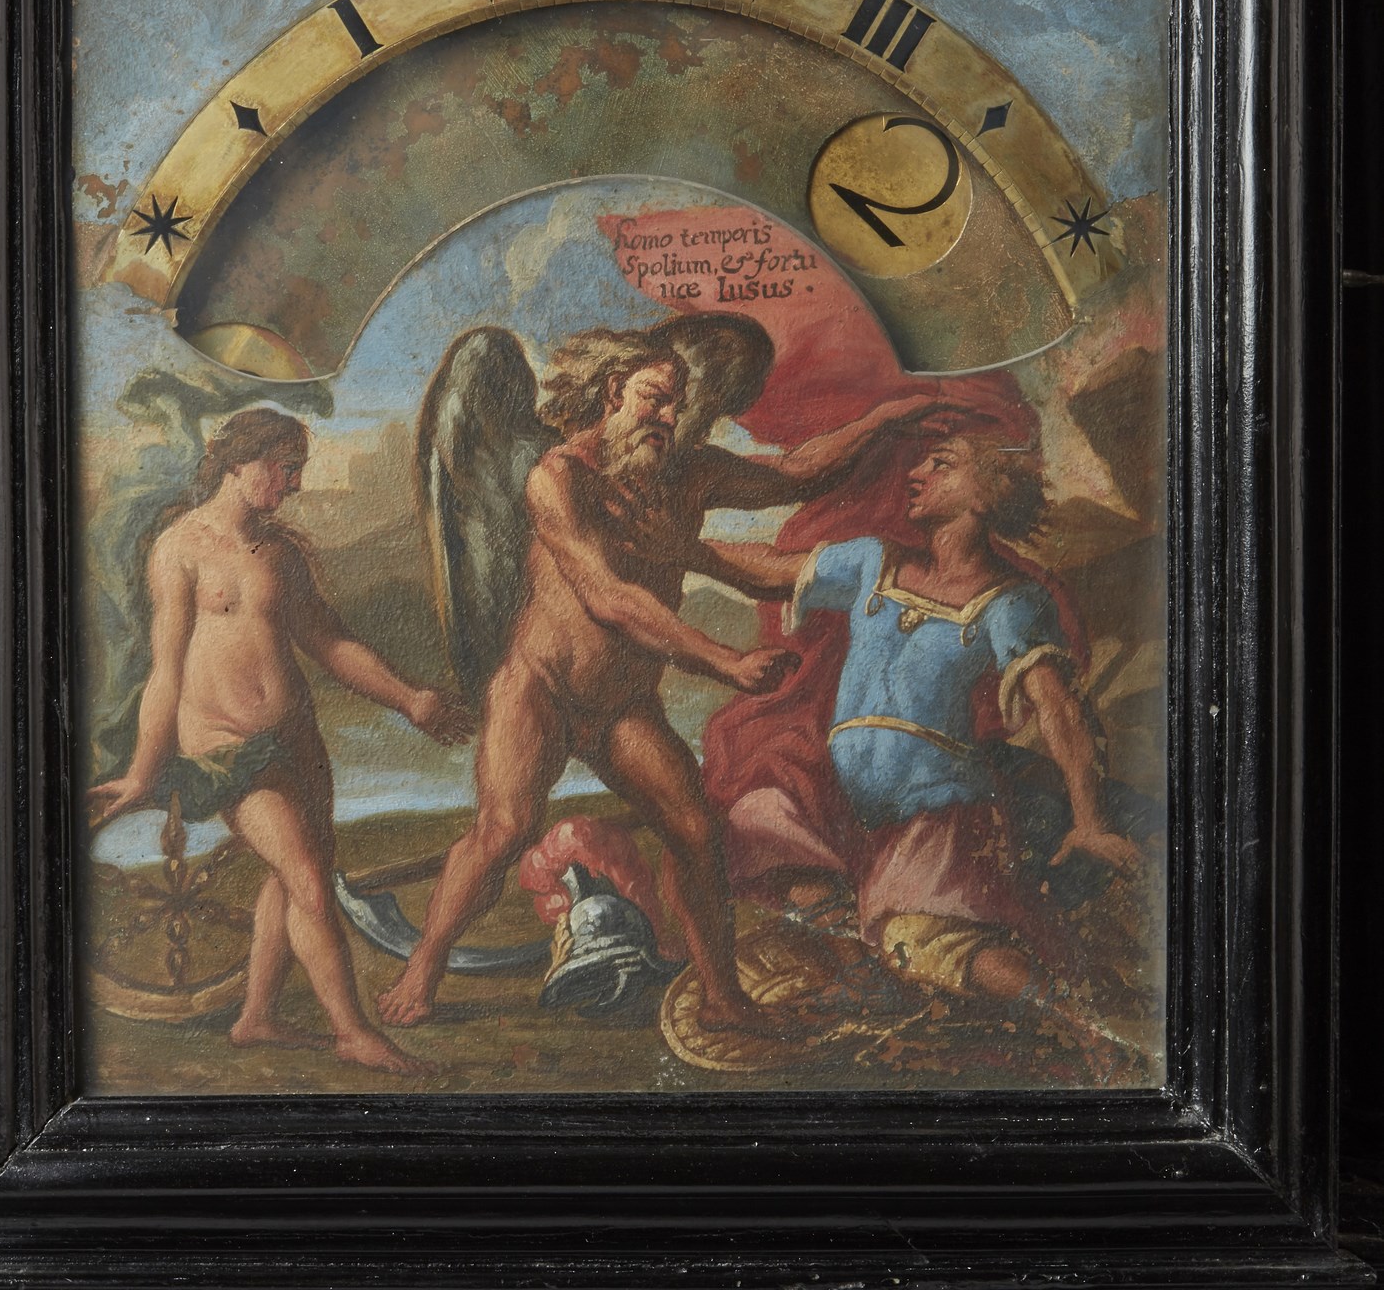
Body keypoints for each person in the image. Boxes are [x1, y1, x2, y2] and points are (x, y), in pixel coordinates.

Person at [378, 324, 948, 1029]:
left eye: (676, 404)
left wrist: (884, 418)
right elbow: (610, 599)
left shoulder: (690, 473)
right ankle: (422, 972)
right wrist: (724, 660)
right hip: (539, 689)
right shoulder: (558, 477)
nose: (669, 417)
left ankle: (722, 999)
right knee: (504, 827)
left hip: (623, 706)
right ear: (613, 391)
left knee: (696, 831)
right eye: (655, 399)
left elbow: (799, 472)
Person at [700, 430, 1144, 1075]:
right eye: (921, 461)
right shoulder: (873, 562)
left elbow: (1058, 708)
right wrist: (676, 548)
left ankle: (1084, 1026)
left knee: (922, 941)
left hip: (938, 811)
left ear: (990, 492)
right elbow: (767, 567)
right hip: (847, 807)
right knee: (756, 819)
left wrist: (1091, 820)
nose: (917, 472)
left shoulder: (1009, 601)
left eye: (943, 463)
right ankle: (866, 976)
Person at [87, 408, 473, 1076]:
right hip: (226, 750)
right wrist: (145, 771)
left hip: (297, 741)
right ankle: (351, 1031)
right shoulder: (178, 549)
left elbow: (329, 643)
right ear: (239, 461)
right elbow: (166, 671)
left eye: (298, 469)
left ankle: (257, 1017)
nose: (294, 483)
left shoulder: (282, 554)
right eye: (285, 467)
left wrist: (409, 699)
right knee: (309, 884)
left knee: (295, 874)